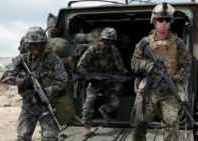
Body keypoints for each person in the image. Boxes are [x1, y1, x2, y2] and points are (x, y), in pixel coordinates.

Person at [130, 2, 191, 141]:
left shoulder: (179, 44)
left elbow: (186, 67)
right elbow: (134, 63)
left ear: (170, 23)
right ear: (154, 21)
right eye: (160, 19)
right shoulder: (144, 42)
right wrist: (146, 65)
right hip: (149, 89)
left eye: (167, 20)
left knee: (171, 127)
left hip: (170, 90)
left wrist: (175, 79)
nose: (163, 23)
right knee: (138, 124)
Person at [1, 26, 68, 141]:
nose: (35, 47)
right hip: (29, 105)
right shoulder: (21, 59)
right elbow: (5, 77)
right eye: (32, 45)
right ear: (28, 45)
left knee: (50, 138)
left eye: (39, 44)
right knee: (23, 137)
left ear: (44, 44)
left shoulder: (53, 59)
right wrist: (22, 82)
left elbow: (62, 80)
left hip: (47, 105)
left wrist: (47, 91)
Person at [77, 27, 127, 136]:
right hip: (94, 80)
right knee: (90, 100)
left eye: (110, 41)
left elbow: (121, 67)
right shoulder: (93, 49)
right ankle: (86, 126)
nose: (108, 43)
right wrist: (89, 78)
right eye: (105, 40)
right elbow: (80, 66)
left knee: (116, 103)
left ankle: (103, 109)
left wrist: (125, 75)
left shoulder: (114, 51)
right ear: (101, 39)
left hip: (108, 81)